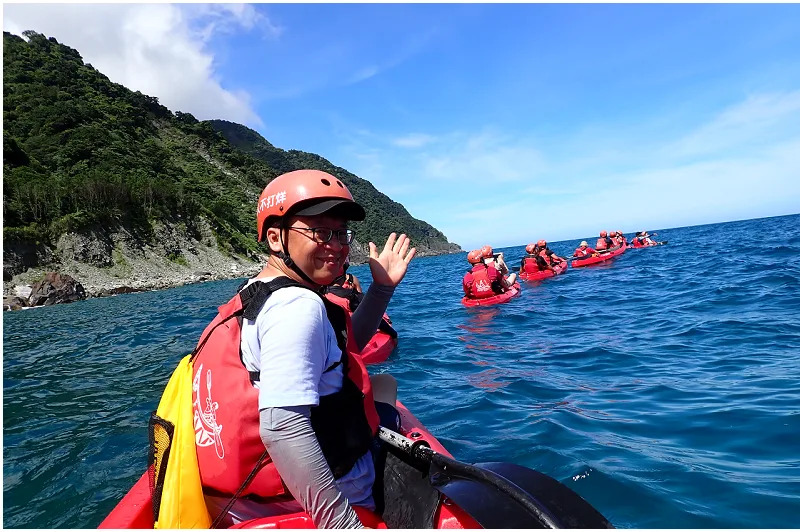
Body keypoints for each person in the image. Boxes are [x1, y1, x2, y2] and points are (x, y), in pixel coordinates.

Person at [191, 169, 416, 529]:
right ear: (276, 238)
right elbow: (281, 428)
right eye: (320, 231)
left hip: (246, 504)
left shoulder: (258, 292)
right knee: (386, 388)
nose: (338, 245)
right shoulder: (297, 307)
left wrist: (381, 289)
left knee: (383, 382)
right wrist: (343, 524)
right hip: (325, 499)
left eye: (341, 233)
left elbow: (345, 348)